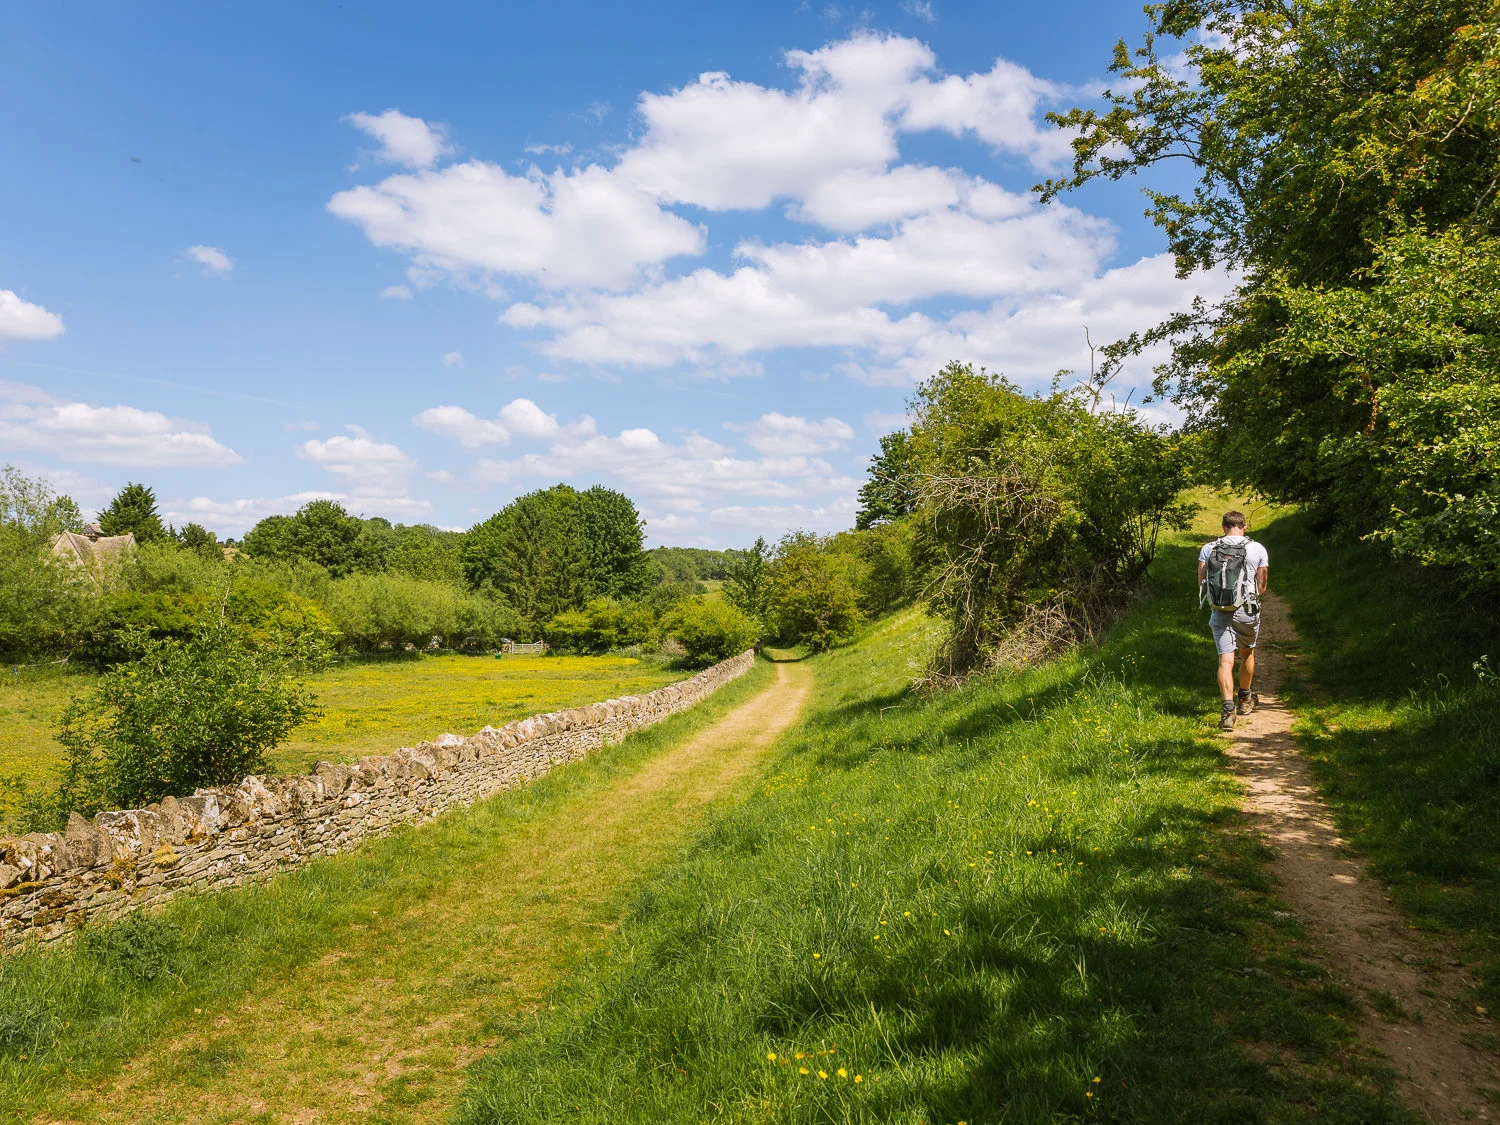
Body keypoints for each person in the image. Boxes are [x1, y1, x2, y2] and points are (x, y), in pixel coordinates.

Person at [1198, 511, 1269, 731]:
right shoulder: (1257, 548)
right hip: (1247, 610)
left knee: (1225, 661)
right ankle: (1245, 699)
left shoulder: (1209, 549)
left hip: (1219, 610)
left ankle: (1228, 713)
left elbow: (1202, 582)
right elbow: (1262, 587)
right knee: (1247, 652)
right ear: (1244, 526)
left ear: (1223, 526)